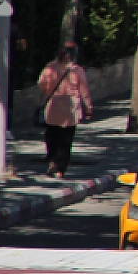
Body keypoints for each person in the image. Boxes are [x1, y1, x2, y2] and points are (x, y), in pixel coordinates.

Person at [38, 42, 92, 178]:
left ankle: (52, 160)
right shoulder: (77, 70)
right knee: (66, 140)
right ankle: (61, 168)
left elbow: (41, 84)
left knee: (52, 135)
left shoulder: (50, 68)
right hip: (69, 108)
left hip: (53, 107)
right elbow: (84, 90)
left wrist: (49, 91)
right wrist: (88, 107)